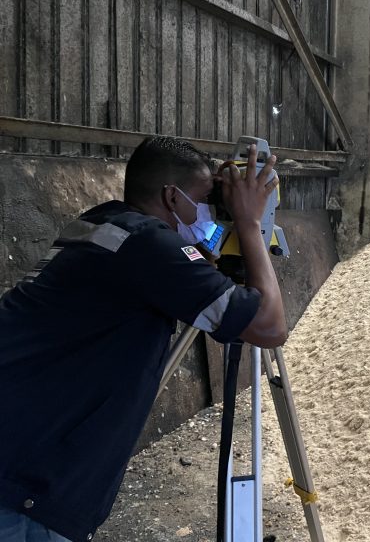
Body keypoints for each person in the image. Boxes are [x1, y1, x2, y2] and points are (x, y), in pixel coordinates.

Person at [0, 136, 288, 542]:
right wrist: (249, 223)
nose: (210, 211)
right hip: (23, 484)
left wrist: (219, 229)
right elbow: (270, 328)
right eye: (205, 200)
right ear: (171, 196)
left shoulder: (104, 222)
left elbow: (186, 268)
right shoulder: (149, 246)